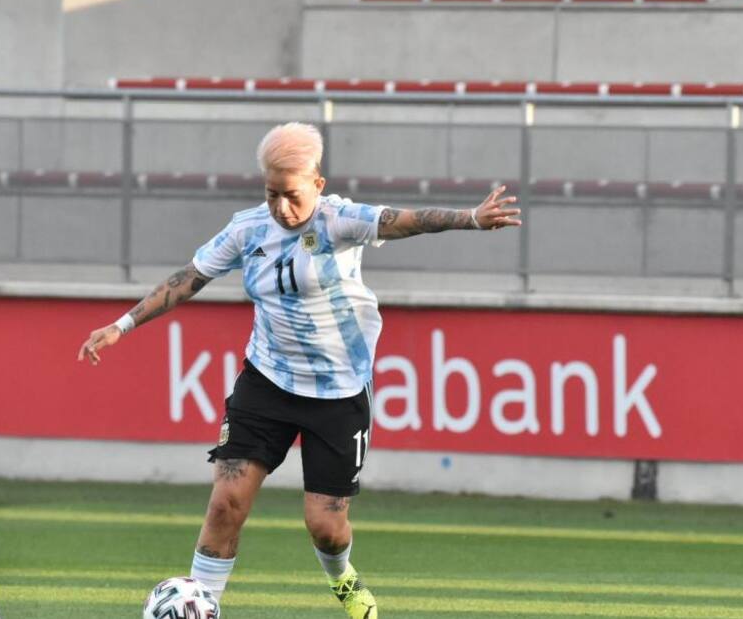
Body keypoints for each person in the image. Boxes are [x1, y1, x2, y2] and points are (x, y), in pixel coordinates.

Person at [78, 122, 522, 618]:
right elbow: (190, 278)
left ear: (317, 184)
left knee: (326, 528)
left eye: (291, 195)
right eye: (271, 194)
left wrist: (471, 219)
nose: (280, 208)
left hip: (338, 392)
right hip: (266, 381)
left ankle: (344, 583)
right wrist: (122, 324)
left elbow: (406, 220)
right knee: (227, 502)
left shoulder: (339, 221)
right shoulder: (248, 229)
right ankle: (201, 607)